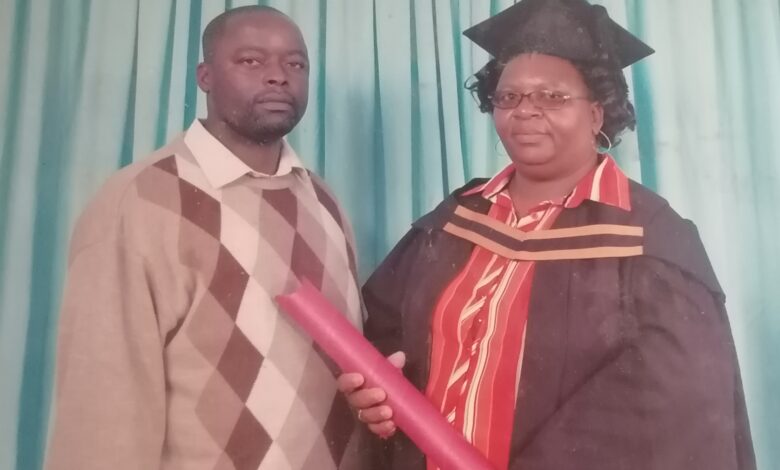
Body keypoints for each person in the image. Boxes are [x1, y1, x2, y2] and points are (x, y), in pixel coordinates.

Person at [338, 0, 756, 469]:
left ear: (596, 113)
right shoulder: (458, 216)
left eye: (552, 97)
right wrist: (375, 390)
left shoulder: (650, 238)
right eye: (509, 97)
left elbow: (670, 411)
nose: (525, 111)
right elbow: (386, 329)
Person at [46, 6, 366, 470]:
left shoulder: (324, 202)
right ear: (205, 77)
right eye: (251, 61)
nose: (278, 76)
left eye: (295, 63)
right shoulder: (138, 204)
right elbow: (101, 411)